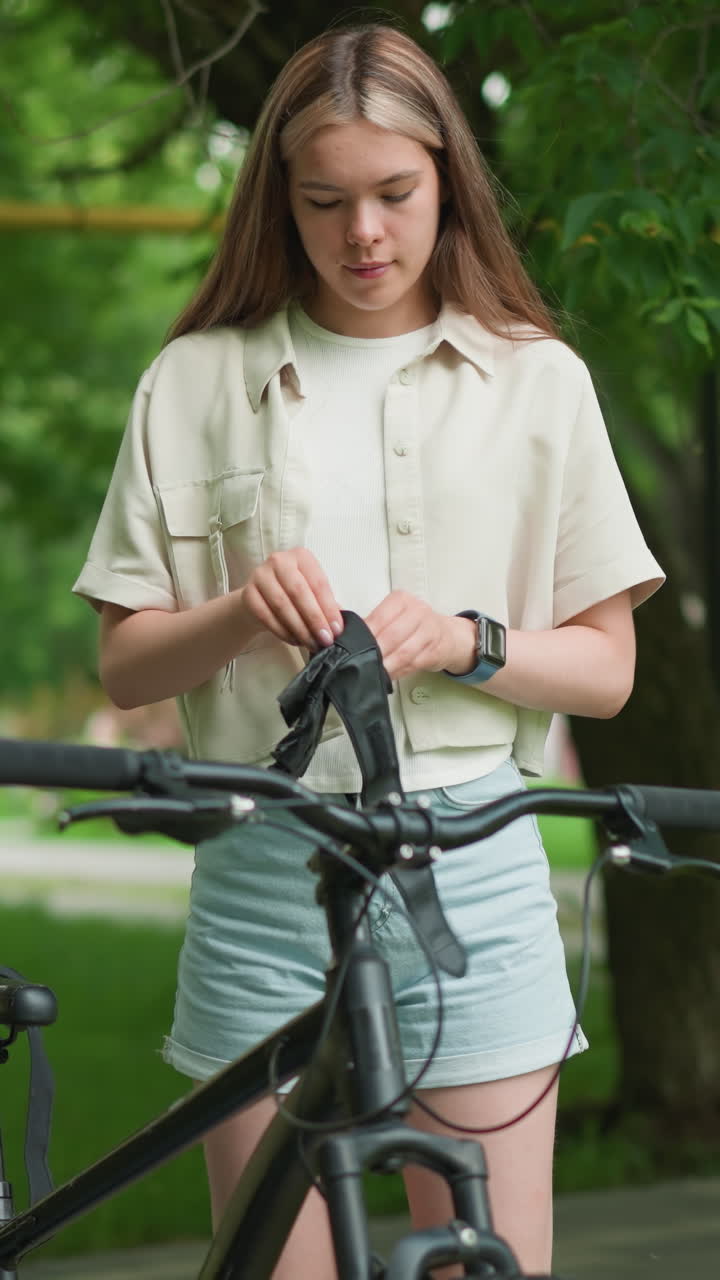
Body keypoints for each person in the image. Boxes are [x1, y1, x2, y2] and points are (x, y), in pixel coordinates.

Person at [73, 22, 664, 1279]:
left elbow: (607, 669)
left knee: (487, 1263)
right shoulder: (191, 378)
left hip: (472, 866)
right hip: (262, 875)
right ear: (277, 202)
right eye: (325, 200)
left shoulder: (538, 382)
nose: (364, 236)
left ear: (446, 175)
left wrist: (465, 639)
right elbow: (128, 669)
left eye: (394, 193)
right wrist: (239, 610)